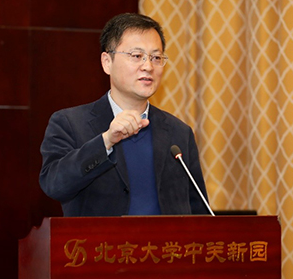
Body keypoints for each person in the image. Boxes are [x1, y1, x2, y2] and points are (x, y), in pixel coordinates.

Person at [39, 13, 212, 219]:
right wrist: (106, 141)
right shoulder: (70, 124)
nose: (148, 66)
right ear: (107, 62)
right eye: (137, 56)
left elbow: (199, 214)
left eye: (156, 58)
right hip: (100, 241)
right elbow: (54, 185)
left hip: (166, 241)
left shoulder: (179, 133)